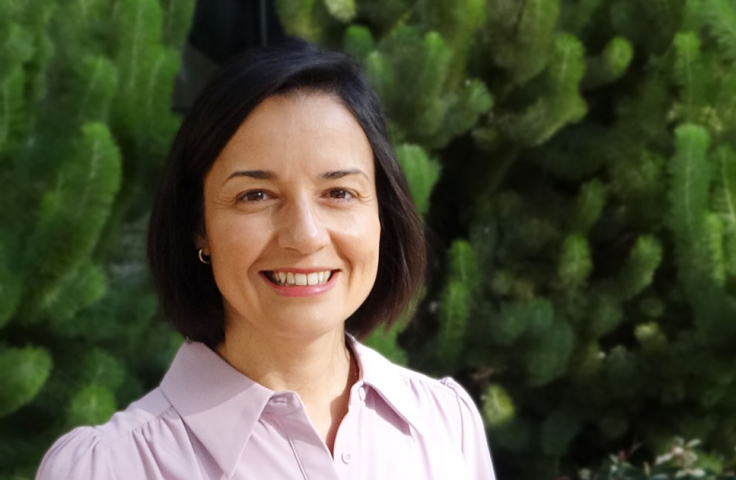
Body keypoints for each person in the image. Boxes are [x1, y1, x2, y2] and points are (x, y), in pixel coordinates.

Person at [36, 40, 497, 480]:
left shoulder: (443, 425)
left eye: (339, 192)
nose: (305, 235)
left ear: (382, 214)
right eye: (255, 195)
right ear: (200, 227)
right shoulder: (110, 469)